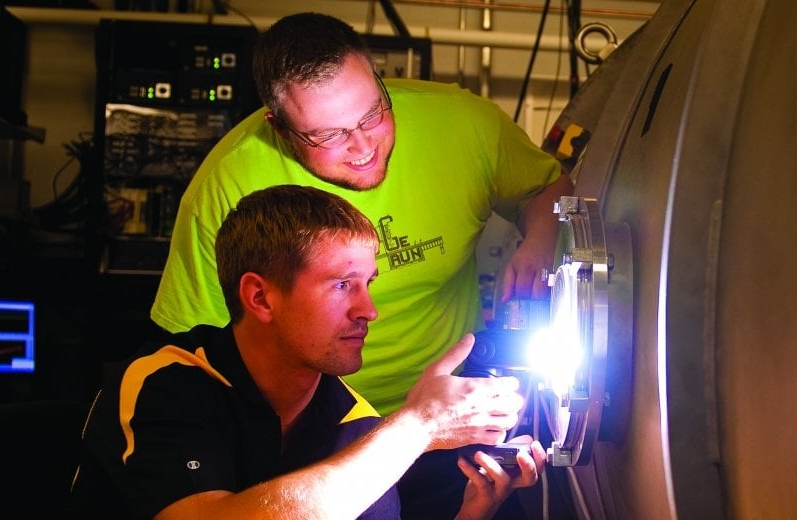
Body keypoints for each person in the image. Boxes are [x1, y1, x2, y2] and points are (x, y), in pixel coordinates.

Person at [151, 12, 573, 419]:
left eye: (373, 114)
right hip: (303, 428)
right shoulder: (226, 186)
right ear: (279, 129)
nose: (363, 146)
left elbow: (547, 188)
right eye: (329, 135)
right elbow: (192, 348)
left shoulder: (464, 125)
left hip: (452, 405)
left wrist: (538, 243)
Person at [71, 185, 544, 519]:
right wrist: (418, 425)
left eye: (367, 284)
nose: (369, 311)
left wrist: (472, 514)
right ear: (260, 298)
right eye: (342, 285)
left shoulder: (351, 421)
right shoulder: (169, 383)